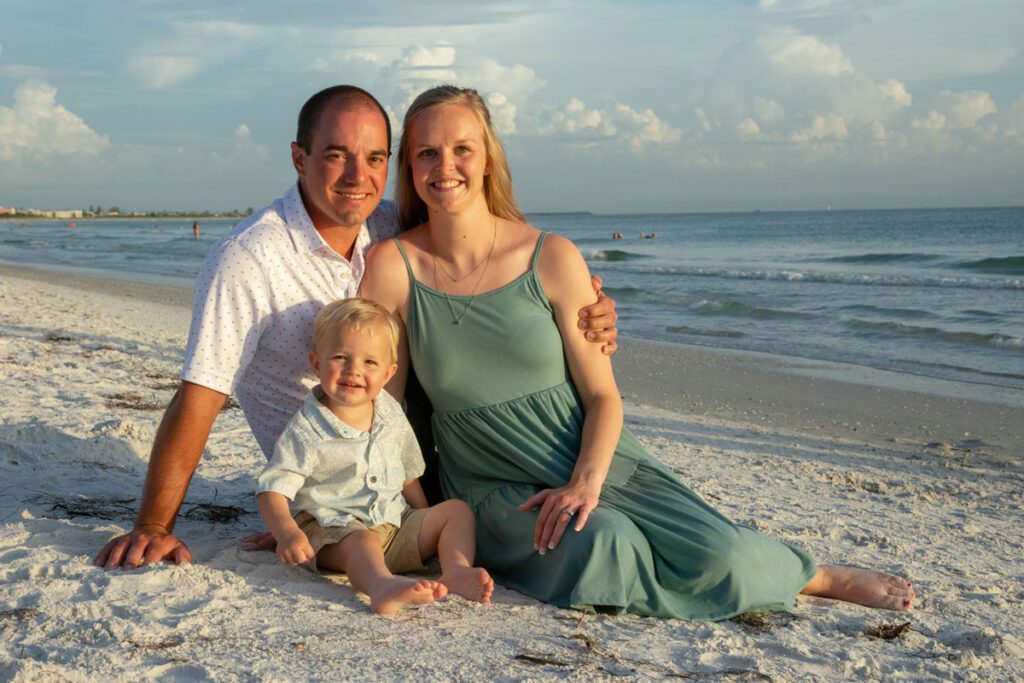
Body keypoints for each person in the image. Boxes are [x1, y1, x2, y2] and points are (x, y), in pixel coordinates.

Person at [360, 85, 915, 619]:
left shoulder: (550, 257)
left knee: (728, 558)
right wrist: (376, 510)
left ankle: (813, 575)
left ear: (487, 160)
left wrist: (585, 481)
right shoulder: (393, 267)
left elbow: (602, 396)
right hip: (489, 484)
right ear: (409, 167)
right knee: (609, 547)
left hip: (597, 458)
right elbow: (383, 408)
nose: (444, 166)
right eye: (426, 152)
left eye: (462, 149)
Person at [94, 85, 618, 571]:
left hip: (424, 460)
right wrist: (154, 525)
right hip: (330, 488)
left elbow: (480, 278)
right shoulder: (249, 259)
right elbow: (200, 394)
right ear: (299, 158)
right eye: (336, 155)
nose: (356, 176)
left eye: (373, 158)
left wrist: (584, 303)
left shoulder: (389, 228)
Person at [256, 298, 492, 614]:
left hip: (393, 525)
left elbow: (407, 473)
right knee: (362, 541)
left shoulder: (390, 412)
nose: (354, 370)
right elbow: (272, 489)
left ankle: (455, 570)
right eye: (341, 357)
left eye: (370, 363)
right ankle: (382, 586)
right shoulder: (308, 429)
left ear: (388, 373)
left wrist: (423, 522)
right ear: (317, 364)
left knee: (456, 512)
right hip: (334, 533)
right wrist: (286, 533)